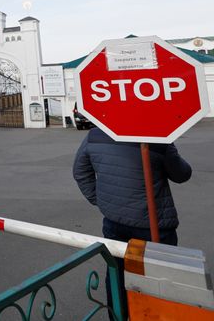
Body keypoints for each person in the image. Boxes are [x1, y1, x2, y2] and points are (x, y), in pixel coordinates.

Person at [73, 127, 192, 317]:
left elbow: (80, 172)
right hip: (154, 226)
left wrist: (101, 200)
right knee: (159, 279)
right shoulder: (155, 137)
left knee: (116, 274)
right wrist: (169, 145)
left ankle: (117, 316)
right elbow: (182, 174)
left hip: (114, 222)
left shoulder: (95, 134)